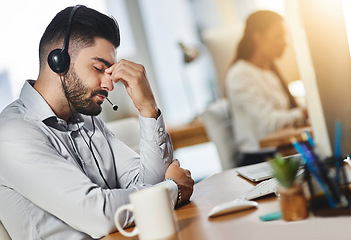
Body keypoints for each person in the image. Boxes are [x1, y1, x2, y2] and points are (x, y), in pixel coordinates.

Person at [0, 5, 194, 240]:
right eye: (99, 68)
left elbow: (149, 181)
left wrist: (147, 109)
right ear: (58, 61)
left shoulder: (88, 122)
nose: (110, 84)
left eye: (110, 71)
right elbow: (97, 214)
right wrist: (173, 190)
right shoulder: (12, 134)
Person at [225, 10, 308, 166]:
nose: (285, 42)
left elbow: (285, 111)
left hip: (281, 151)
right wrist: (301, 113)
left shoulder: (269, 71)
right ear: (259, 38)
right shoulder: (240, 74)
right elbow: (268, 122)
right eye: (278, 36)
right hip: (261, 160)